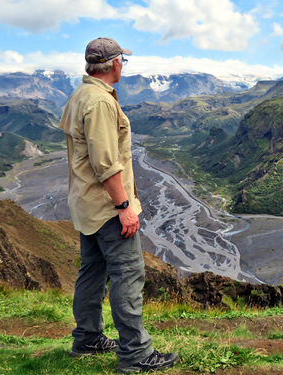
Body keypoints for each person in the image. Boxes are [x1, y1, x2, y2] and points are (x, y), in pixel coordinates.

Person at [59, 37, 178, 373]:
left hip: (86, 205)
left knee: (92, 273)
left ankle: (87, 339)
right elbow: (106, 164)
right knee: (128, 275)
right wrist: (124, 205)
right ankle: (136, 354)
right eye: (122, 60)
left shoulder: (80, 95)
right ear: (113, 64)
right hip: (107, 207)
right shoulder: (99, 102)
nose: (123, 65)